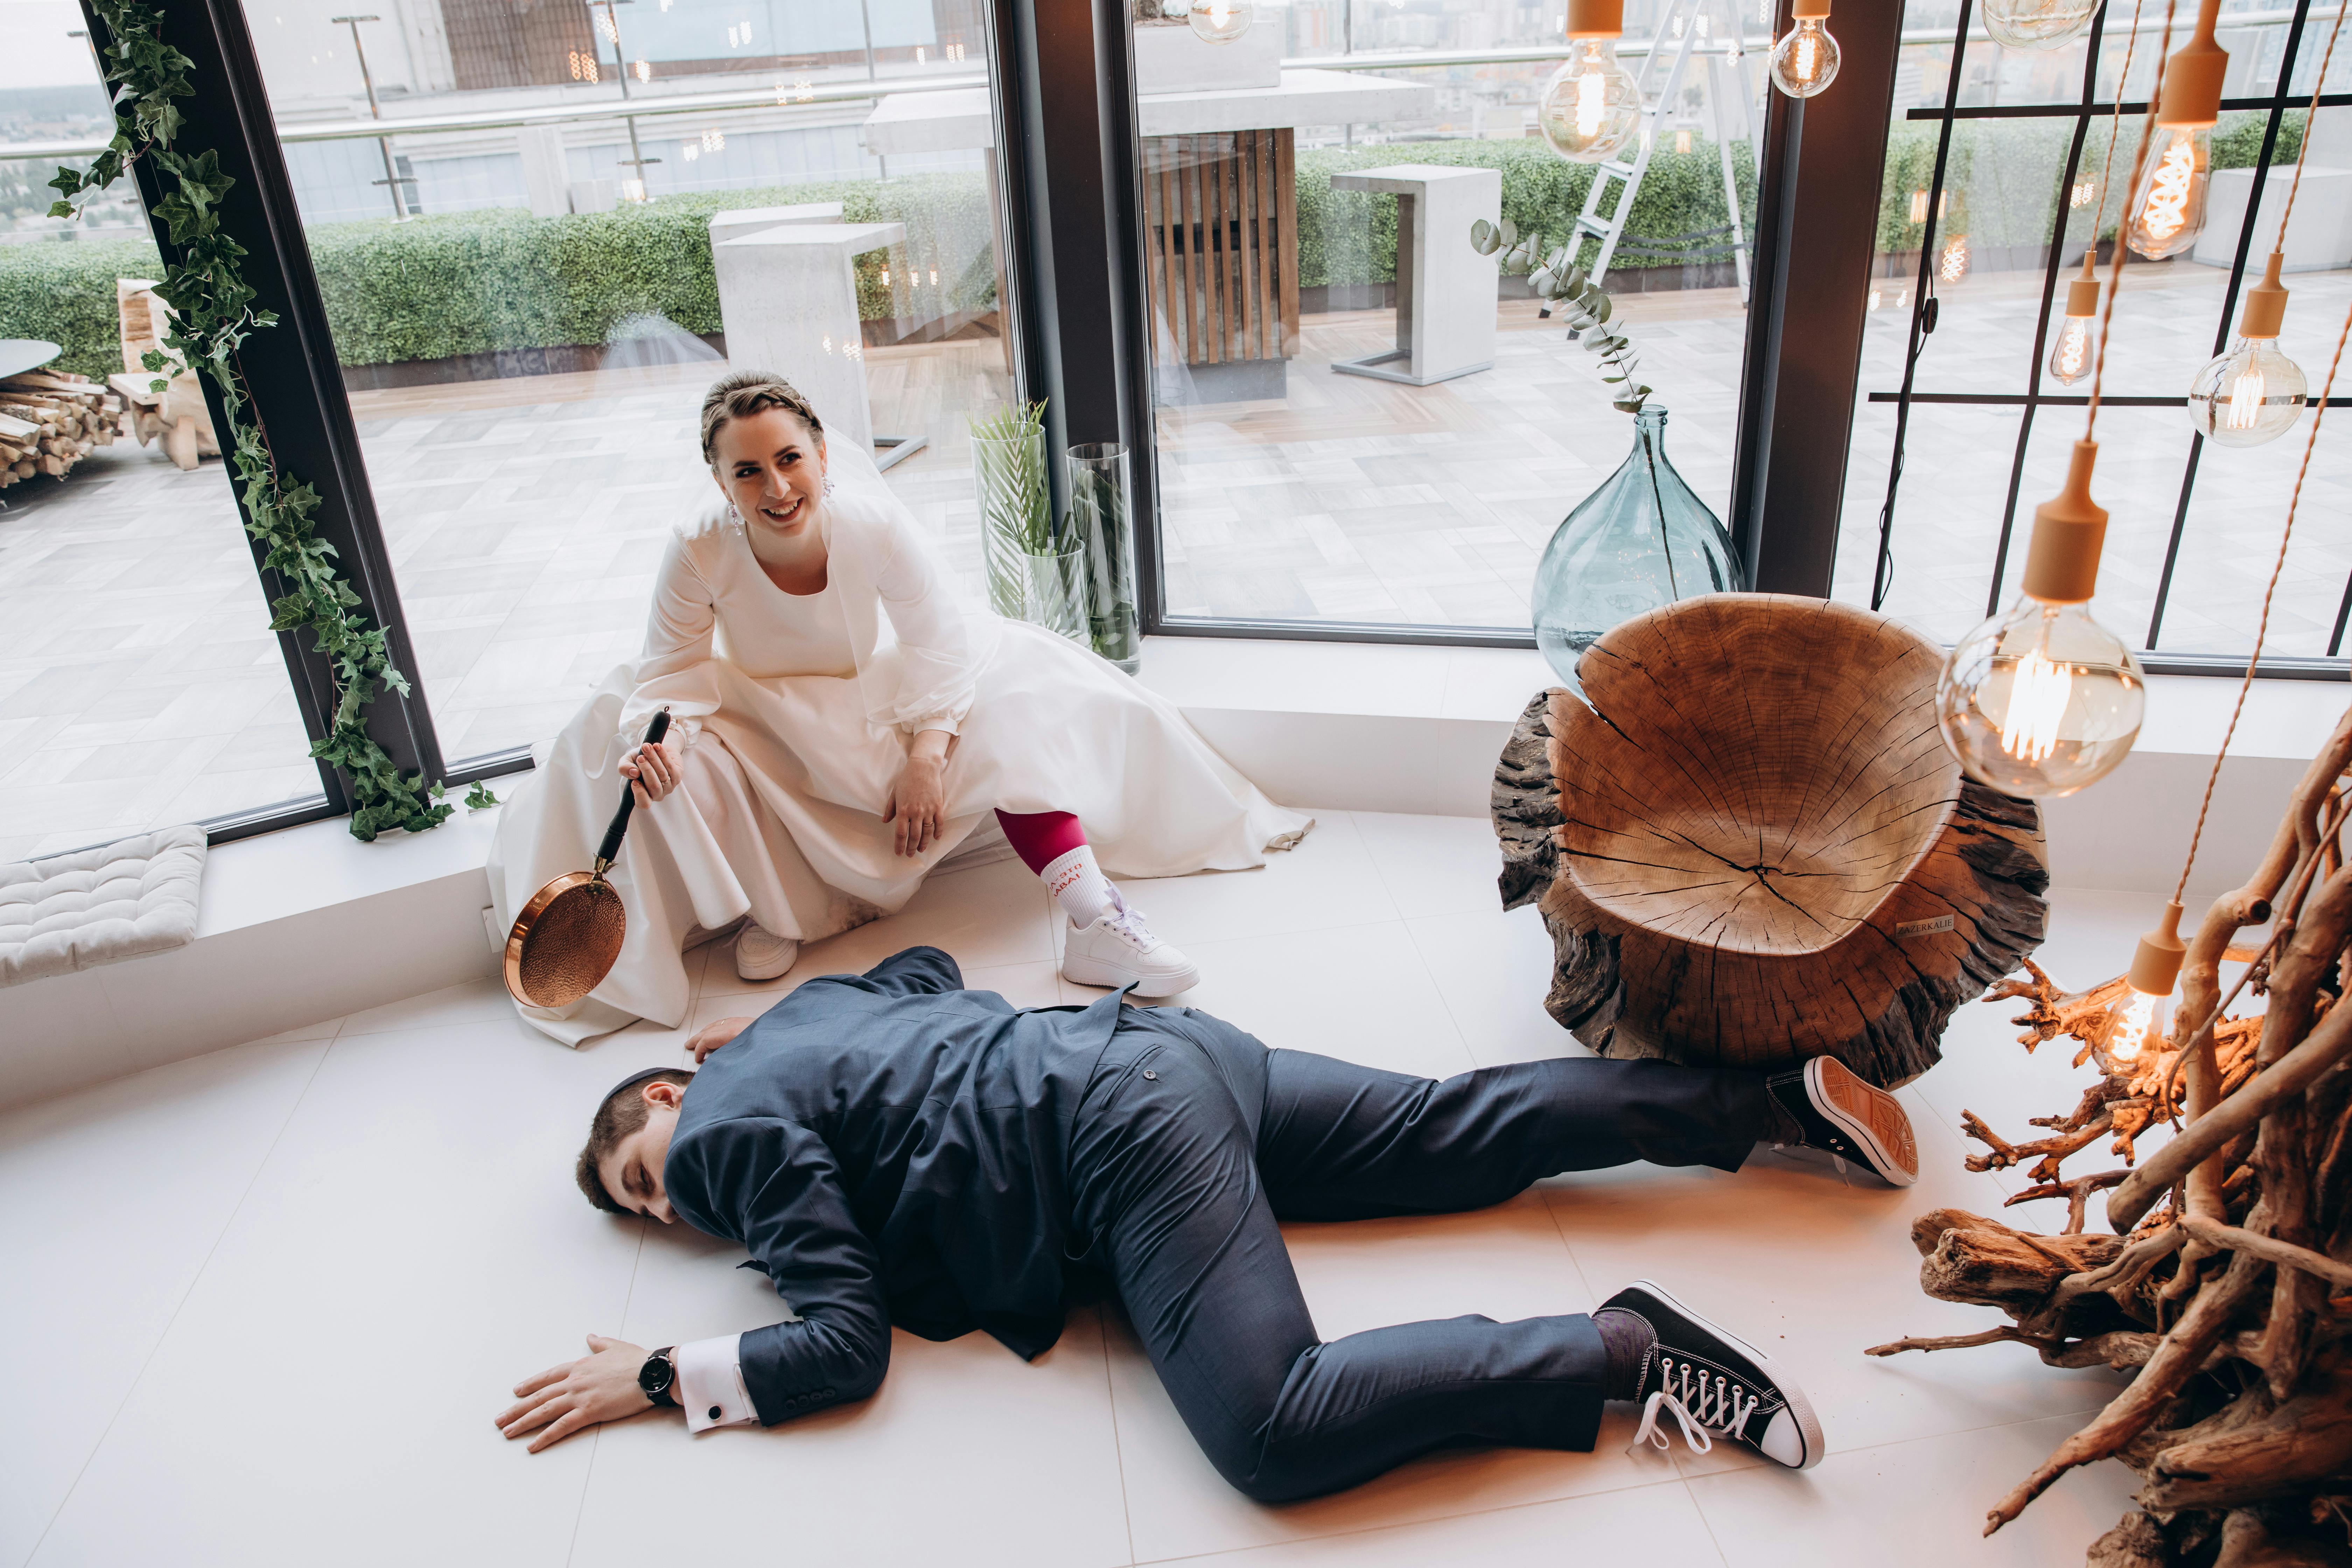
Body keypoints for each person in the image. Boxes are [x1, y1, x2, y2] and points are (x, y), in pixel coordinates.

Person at [496, 946, 1921, 1498]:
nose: (669, 1202)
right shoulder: (804, 1020)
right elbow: (928, 964)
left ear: (680, 1086)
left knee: (1273, 1431)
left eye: (645, 1167)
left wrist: (662, 1371)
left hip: (1119, 1142)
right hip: (1165, 1054)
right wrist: (788, 1027)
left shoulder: (731, 1134)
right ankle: (1766, 1104)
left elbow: (846, 1339)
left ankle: (1614, 1348)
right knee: (1451, 1126)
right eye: (643, 1201)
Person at [487, 372, 1312, 1046]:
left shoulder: (870, 524)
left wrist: (926, 753)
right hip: (762, 713)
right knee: (669, 748)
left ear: (819, 453)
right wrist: (654, 741)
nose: (776, 488)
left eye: (789, 459)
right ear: (719, 481)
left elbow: (944, 644)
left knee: (1023, 686)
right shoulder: (698, 544)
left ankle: (1094, 917)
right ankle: (778, 915)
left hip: (869, 700)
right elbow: (669, 671)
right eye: (747, 472)